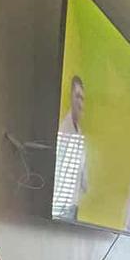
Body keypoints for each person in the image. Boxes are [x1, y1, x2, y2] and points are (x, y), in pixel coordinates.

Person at [52, 74, 88, 220]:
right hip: (62, 207)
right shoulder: (64, 130)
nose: (80, 102)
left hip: (73, 205)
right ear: (71, 97)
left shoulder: (79, 132)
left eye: (82, 98)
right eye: (77, 96)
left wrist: (84, 183)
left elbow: (81, 170)